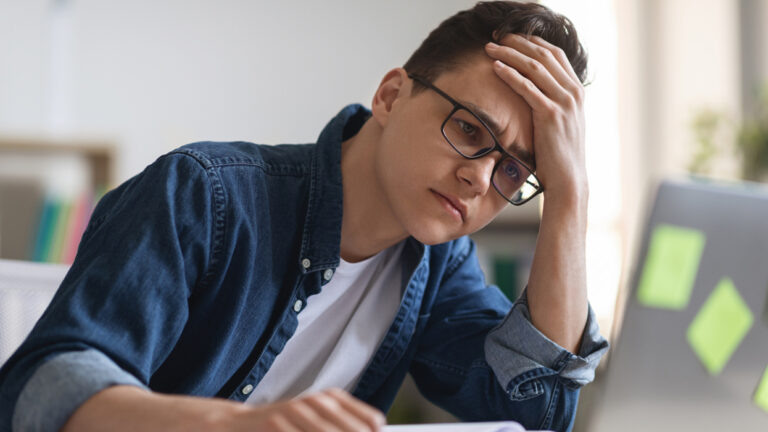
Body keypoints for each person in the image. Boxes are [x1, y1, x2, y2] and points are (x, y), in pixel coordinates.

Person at [0, 1, 608, 431]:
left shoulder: (437, 265)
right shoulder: (205, 196)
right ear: (392, 95)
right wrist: (234, 427)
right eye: (469, 129)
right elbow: (42, 389)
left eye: (514, 171)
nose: (480, 176)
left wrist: (572, 194)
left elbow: (535, 408)